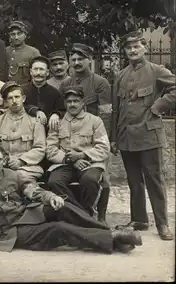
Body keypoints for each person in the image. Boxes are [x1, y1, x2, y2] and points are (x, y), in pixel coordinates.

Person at [0, 145, 143, 254]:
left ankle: (106, 232)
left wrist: (51, 196)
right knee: (57, 229)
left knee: (63, 205)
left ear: (5, 160)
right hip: (9, 232)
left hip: (26, 215)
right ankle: (114, 239)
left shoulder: (14, 175)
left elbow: (32, 190)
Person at [111, 30, 176, 240]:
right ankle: (139, 219)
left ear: (145, 48)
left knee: (154, 180)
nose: (132, 50)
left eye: (136, 46)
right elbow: (116, 109)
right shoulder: (121, 75)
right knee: (134, 181)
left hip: (149, 135)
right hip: (126, 137)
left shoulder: (157, 70)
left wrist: (158, 106)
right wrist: (114, 137)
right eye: (128, 47)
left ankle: (163, 224)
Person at [46, 87, 110, 217]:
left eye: (76, 101)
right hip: (65, 163)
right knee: (54, 181)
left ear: (83, 103)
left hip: (90, 163)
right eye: (69, 101)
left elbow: (103, 148)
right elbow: (50, 149)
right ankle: (79, 213)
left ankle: (87, 212)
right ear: (65, 104)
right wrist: (70, 160)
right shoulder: (57, 123)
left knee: (90, 180)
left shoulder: (95, 121)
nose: (72, 104)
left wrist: (82, 155)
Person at [0, 81, 46, 181]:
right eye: (10, 98)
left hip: (27, 168)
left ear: (23, 99)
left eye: (17, 97)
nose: (14, 101)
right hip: (2, 167)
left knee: (19, 178)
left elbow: (40, 148)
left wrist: (21, 160)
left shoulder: (35, 121)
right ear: (6, 102)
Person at [59, 43, 112, 133]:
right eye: (73, 60)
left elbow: (105, 114)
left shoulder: (100, 83)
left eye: (80, 59)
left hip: (92, 132)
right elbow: (60, 111)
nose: (76, 63)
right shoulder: (65, 84)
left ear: (90, 59)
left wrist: (103, 137)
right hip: (69, 133)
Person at [22, 56, 65, 132]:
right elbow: (18, 106)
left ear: (47, 72)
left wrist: (56, 114)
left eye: (41, 69)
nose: (38, 73)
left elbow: (62, 110)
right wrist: (35, 111)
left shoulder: (55, 93)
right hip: (25, 131)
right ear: (31, 72)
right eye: (35, 69)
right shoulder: (22, 91)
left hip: (49, 133)